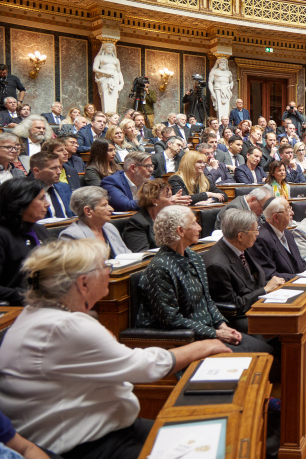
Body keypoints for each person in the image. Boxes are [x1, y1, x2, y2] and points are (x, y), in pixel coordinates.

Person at [0, 238, 230, 459]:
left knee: (203, 440)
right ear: (83, 283)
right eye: (104, 266)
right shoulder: (64, 326)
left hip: (105, 425)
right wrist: (202, 347)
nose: (109, 271)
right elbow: (145, 368)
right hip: (82, 444)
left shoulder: (40, 315)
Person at [136, 206, 271, 352]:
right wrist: (216, 334)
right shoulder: (160, 268)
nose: (199, 227)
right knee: (264, 355)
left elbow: (207, 300)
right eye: (194, 223)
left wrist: (222, 325)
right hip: (184, 341)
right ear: (180, 231)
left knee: (270, 348)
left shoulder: (194, 257)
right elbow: (172, 320)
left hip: (209, 330)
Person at [205, 209, 285, 334]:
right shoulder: (217, 265)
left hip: (255, 305)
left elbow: (255, 279)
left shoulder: (239, 247)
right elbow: (233, 306)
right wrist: (265, 290)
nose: (257, 234)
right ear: (240, 236)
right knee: (285, 325)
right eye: (255, 230)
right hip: (238, 319)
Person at [0, 178, 50, 306]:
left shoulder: (40, 229)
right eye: (41, 198)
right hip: (15, 309)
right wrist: (27, 296)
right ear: (22, 202)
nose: (47, 204)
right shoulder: (3, 235)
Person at [59, 186, 131, 258]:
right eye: (104, 205)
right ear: (88, 211)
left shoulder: (110, 228)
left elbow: (128, 255)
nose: (111, 209)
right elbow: (76, 268)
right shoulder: (70, 236)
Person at [250, 198, 306, 280]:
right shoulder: (261, 239)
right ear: (276, 217)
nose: (292, 213)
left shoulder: (288, 233)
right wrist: (300, 278)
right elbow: (269, 275)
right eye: (288, 210)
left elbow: (300, 261)